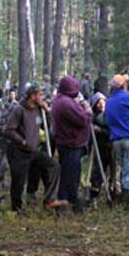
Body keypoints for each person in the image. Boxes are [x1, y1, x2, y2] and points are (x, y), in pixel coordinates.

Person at [4, 83, 68, 214]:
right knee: (19, 181)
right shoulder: (19, 110)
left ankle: (50, 200)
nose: (42, 97)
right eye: (40, 95)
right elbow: (8, 130)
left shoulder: (39, 109)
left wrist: (47, 111)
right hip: (18, 151)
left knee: (53, 166)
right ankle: (16, 209)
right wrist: (22, 141)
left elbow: (48, 126)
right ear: (32, 96)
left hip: (33, 150)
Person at [51, 76, 93, 211]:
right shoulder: (66, 103)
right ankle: (67, 201)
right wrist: (87, 110)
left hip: (67, 142)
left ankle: (69, 200)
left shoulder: (61, 101)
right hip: (71, 143)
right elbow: (82, 119)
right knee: (70, 175)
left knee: (70, 173)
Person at [105, 75, 129, 211]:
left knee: (128, 169)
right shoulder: (128, 97)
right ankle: (125, 202)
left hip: (116, 139)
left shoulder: (109, 101)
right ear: (123, 85)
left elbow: (107, 120)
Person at [87, 92, 113, 202]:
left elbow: (113, 131)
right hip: (98, 148)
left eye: (103, 102)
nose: (101, 105)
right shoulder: (92, 117)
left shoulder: (111, 115)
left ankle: (113, 194)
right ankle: (94, 196)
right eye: (98, 103)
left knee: (114, 172)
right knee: (97, 172)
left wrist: (101, 130)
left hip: (111, 146)